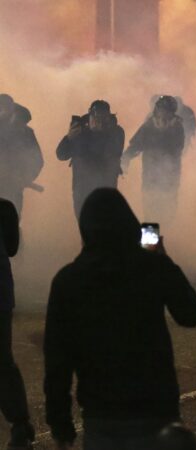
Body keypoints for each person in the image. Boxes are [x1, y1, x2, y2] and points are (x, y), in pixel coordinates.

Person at [44, 188, 196, 450]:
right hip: (157, 413)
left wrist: (60, 426)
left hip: (102, 418)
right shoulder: (152, 267)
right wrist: (164, 260)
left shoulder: (69, 280)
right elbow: (191, 314)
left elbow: (57, 360)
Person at [0, 198, 35, 450]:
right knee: (2, 361)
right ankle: (20, 424)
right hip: (1, 295)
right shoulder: (4, 208)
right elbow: (11, 248)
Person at [56, 100, 125, 219]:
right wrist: (68, 138)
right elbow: (61, 155)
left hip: (106, 187)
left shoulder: (116, 132)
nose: (97, 120)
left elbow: (112, 154)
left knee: (104, 223)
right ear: (89, 116)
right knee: (84, 224)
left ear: (108, 118)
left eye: (102, 117)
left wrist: (99, 133)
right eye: (94, 116)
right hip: (81, 187)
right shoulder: (80, 131)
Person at [122, 95, 185, 223]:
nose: (163, 113)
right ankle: (149, 242)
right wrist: (126, 157)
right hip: (150, 178)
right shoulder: (148, 126)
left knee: (168, 213)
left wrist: (164, 131)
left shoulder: (177, 128)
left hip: (170, 179)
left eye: (166, 111)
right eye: (161, 109)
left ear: (172, 113)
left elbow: (176, 148)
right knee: (150, 213)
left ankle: (168, 238)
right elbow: (136, 145)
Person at [0, 94, 44, 218]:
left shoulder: (25, 132)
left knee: (11, 222)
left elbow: (37, 160)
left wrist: (25, 178)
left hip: (14, 188)